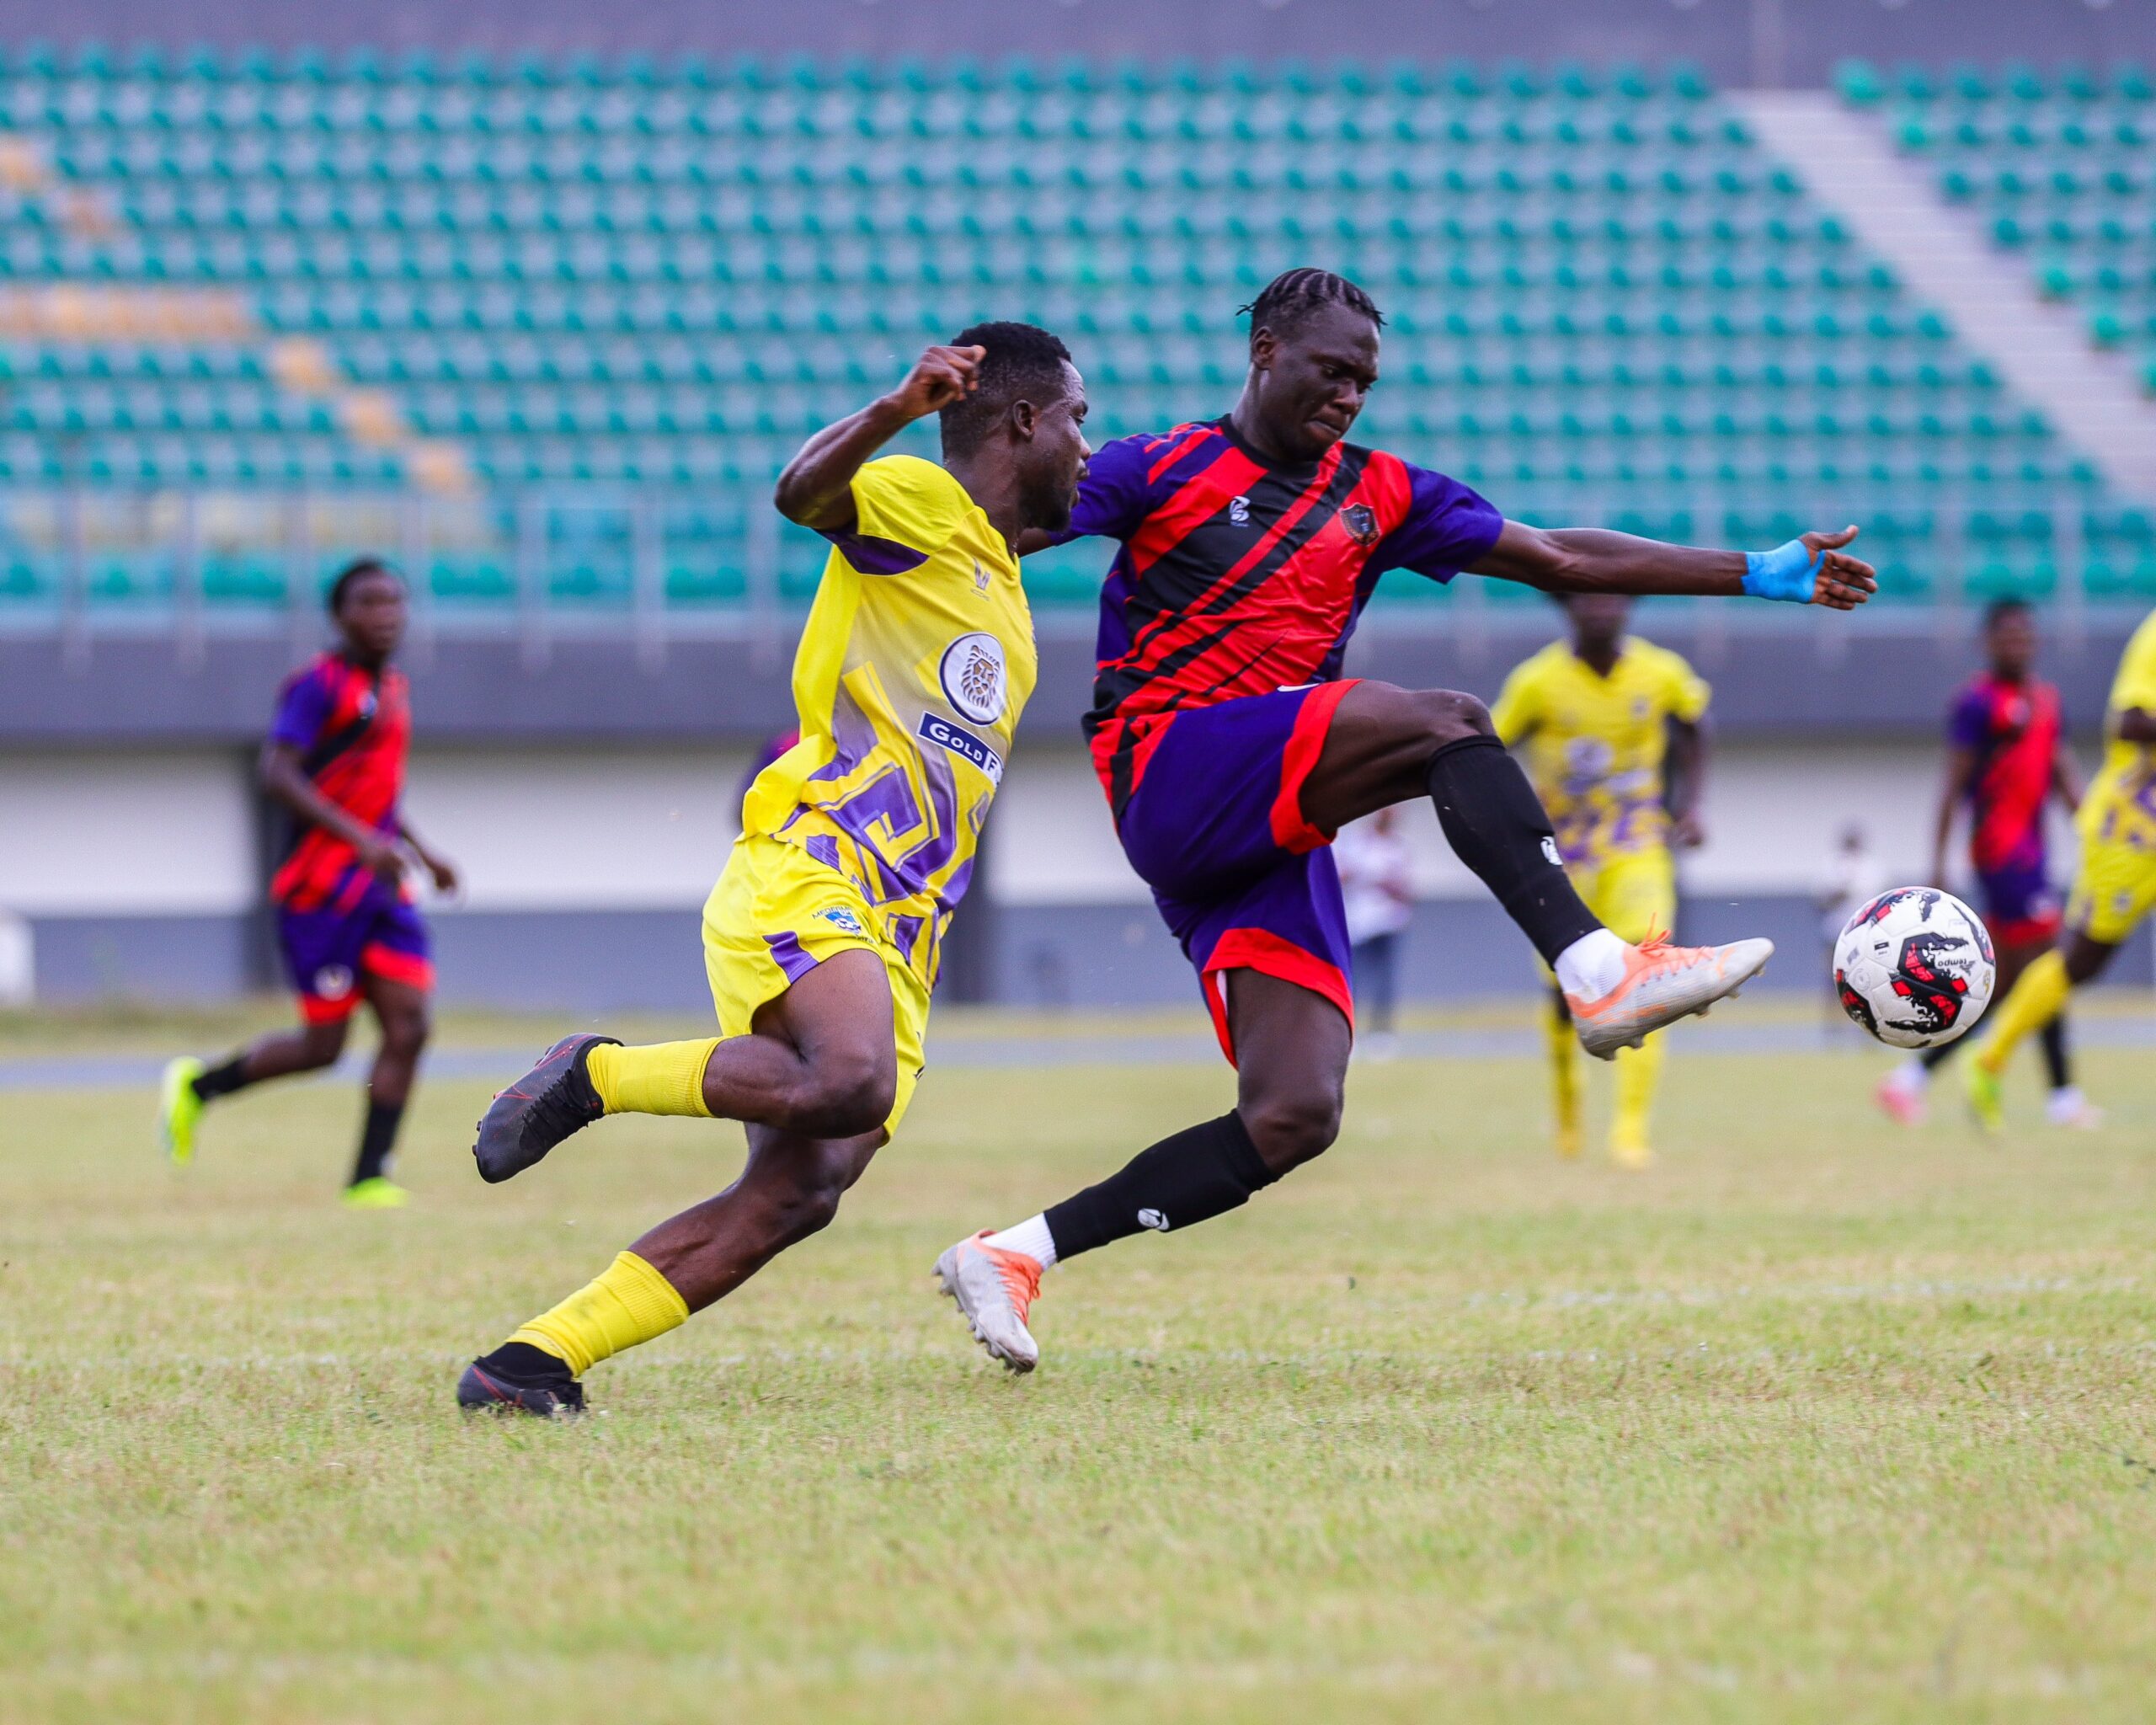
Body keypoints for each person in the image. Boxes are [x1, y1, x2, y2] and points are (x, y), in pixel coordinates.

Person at [935, 268, 1876, 1372]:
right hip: (1173, 768)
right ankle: (1596, 968)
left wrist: (1760, 573)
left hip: (1269, 823)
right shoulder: (1160, 466)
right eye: (1331, 371)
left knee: (1293, 1115)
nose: (1348, 396)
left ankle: (1016, 1253)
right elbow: (998, 527)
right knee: (1448, 724)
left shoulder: (1380, 492)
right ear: (1265, 355)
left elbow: (1562, 556)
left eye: (1365, 381)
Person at [453, 325, 1092, 1416]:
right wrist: (897, 407)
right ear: (1025, 420)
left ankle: (529, 1363)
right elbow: (803, 496)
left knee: (808, 1187)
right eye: (1079, 419)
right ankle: (596, 1074)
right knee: (852, 1082)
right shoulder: (915, 501)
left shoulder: (998, 571)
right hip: (814, 867)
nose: (1088, 443)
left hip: (901, 931)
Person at [158, 558, 456, 1207]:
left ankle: (370, 1174)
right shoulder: (318, 685)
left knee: (410, 1026)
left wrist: (423, 853)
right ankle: (199, 1088)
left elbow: (372, 791)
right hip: (321, 891)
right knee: (324, 1047)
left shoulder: (396, 688)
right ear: (340, 615)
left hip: (379, 889)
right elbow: (278, 772)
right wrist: (361, 842)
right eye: (370, 603)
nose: (386, 614)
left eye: (394, 602)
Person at [1491, 592, 1710, 1168]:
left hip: (1638, 845)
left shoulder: (1660, 671)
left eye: (1611, 597)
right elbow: (1488, 746)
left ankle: (1630, 1133)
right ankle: (1569, 1118)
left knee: (1650, 973)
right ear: (1565, 609)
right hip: (1562, 857)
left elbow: (1694, 726)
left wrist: (1692, 807)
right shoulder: (1537, 682)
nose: (1600, 609)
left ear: (1629, 606)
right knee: (1567, 999)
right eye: (1586, 598)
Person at [1876, 599, 2091, 1126]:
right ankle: (2061, 1097)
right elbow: (1953, 785)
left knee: (2011, 985)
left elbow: (2060, 770)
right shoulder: (1977, 703)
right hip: (2001, 856)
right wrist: (1939, 864)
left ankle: (1912, 1079)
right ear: (1988, 642)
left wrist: (2093, 830)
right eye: (2008, 635)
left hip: (2035, 857)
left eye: (2026, 634)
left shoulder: (2046, 700)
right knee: (2048, 968)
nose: (2019, 643)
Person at [1966, 602, 2156, 1128]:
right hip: (2135, 830)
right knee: (2079, 962)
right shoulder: (2154, 635)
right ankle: (1989, 1056)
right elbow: (2131, 722)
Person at [1333, 807, 1415, 1052]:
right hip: (1359, 923)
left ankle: (1381, 1033)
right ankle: (1349, 1033)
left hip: (1389, 922)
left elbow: (1406, 888)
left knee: (1385, 980)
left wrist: (1386, 883)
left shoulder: (1399, 847)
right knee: (1354, 980)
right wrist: (1363, 875)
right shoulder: (1356, 843)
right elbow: (1340, 876)